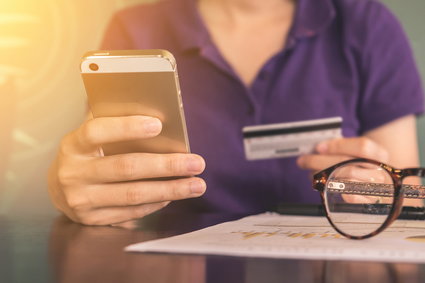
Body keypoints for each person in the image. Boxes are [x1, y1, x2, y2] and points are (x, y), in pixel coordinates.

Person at [48, 0, 424, 225]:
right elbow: (106, 175)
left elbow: (412, 196)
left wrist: (377, 193)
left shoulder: (364, 23)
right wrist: (74, 191)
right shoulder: (136, 29)